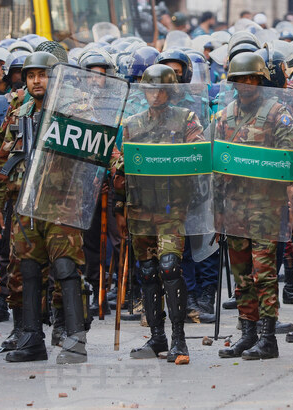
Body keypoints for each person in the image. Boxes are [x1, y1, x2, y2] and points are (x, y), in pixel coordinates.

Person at [0, 51, 91, 364]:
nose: (36, 81)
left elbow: (92, 151)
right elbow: (3, 160)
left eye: (42, 75)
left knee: (66, 269)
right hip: (26, 205)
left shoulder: (73, 111)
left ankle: (75, 340)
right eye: (31, 75)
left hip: (62, 204)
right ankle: (32, 338)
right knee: (28, 269)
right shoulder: (20, 113)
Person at [112, 64, 208, 365]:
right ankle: (157, 337)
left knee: (169, 266)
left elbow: (199, 153)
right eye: (151, 89)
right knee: (148, 271)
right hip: (140, 207)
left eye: (161, 89)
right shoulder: (132, 124)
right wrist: (119, 206)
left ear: (170, 91)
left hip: (171, 207)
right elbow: (119, 167)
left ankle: (179, 339)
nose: (156, 94)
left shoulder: (186, 119)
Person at [214, 53, 293, 360]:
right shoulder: (224, 117)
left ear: (261, 80)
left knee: (263, 273)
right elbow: (218, 166)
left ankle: (267, 336)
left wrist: (290, 190)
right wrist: (217, 210)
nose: (247, 84)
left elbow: (290, 159)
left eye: (252, 78)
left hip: (266, 206)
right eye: (241, 79)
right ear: (233, 82)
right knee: (240, 273)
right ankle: (247, 333)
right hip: (235, 207)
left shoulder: (278, 113)